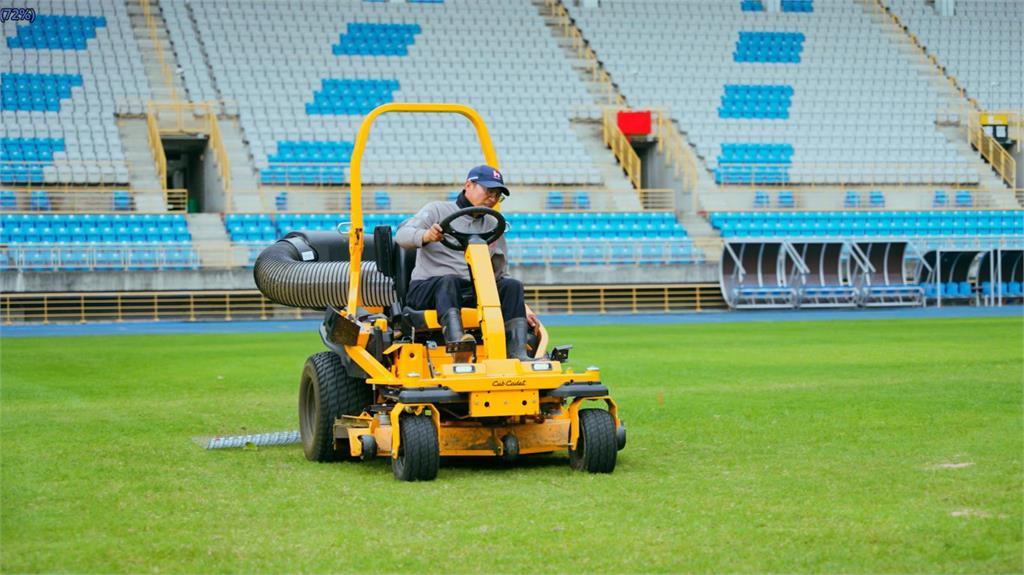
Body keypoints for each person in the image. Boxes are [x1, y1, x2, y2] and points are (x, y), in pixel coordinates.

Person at [396, 165, 537, 361]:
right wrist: (426, 235)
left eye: (498, 194)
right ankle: (458, 345)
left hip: (471, 290)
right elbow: (402, 236)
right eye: (489, 191)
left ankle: (518, 352)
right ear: (468, 185)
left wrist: (523, 306)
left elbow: (500, 272)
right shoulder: (437, 210)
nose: (493, 198)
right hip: (428, 288)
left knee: (512, 286)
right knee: (449, 281)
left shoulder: (493, 225)